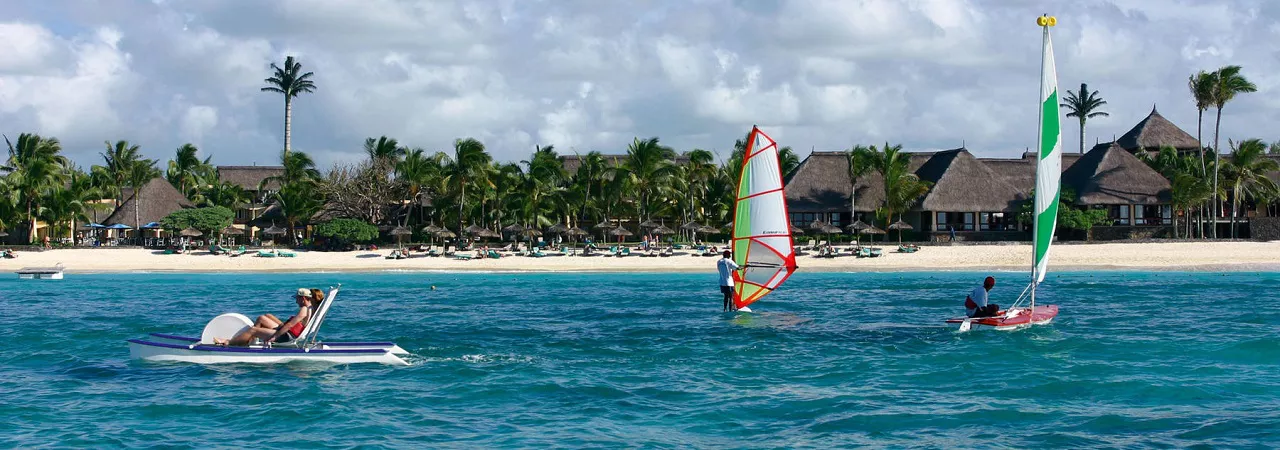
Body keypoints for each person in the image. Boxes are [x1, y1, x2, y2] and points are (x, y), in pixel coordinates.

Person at [217, 288, 320, 346]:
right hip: (288, 333)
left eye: (297, 298)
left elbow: (290, 325)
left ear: (302, 298)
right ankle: (249, 341)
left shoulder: (304, 309)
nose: (295, 301)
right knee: (262, 318)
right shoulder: (310, 307)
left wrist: (275, 337)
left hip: (287, 336)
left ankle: (229, 342)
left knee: (253, 330)